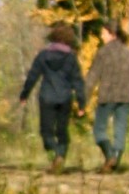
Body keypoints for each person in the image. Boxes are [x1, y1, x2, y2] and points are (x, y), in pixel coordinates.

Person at [20, 23, 86, 174]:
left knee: (46, 131)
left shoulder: (43, 56)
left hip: (47, 97)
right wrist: (81, 103)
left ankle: (55, 154)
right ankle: (60, 155)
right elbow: (78, 81)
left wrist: (24, 94)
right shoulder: (71, 58)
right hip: (65, 98)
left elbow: (32, 76)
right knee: (62, 130)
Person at [84, 19, 129, 173]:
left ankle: (109, 155)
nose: (101, 36)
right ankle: (115, 159)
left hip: (107, 96)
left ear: (112, 34)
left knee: (99, 130)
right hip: (125, 97)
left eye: (103, 33)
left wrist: (83, 98)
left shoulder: (103, 53)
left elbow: (92, 77)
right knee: (120, 130)